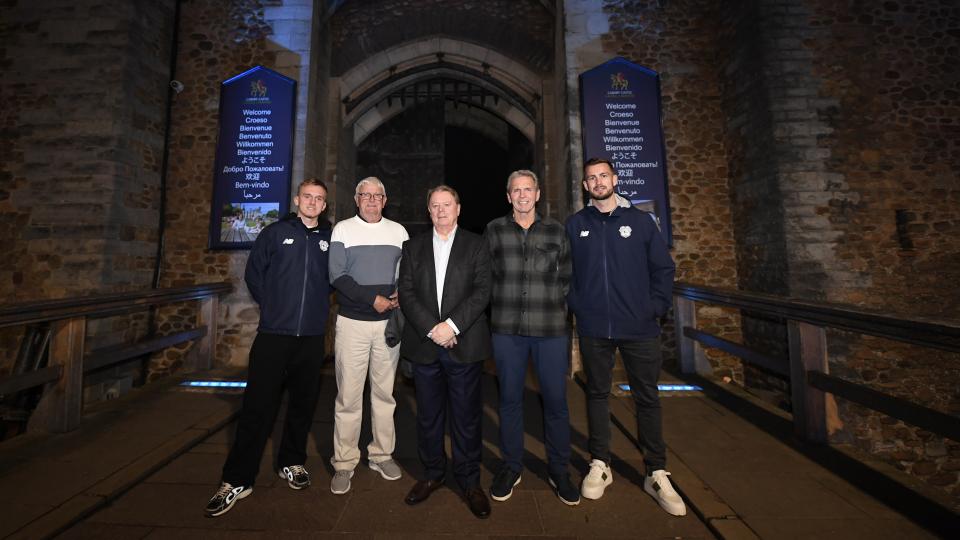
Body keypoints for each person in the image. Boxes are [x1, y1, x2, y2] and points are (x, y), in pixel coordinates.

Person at [565, 158, 686, 516]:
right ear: (585, 185)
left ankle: (656, 471)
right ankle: (600, 463)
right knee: (598, 394)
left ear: (615, 179)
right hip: (594, 328)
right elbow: (565, 273)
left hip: (639, 328)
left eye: (604, 175)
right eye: (591, 178)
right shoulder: (576, 225)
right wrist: (578, 306)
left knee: (647, 397)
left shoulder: (640, 222)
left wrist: (654, 308)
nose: (598, 182)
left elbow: (663, 269)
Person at [205, 179, 332, 517]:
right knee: (258, 407)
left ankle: (291, 461)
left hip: (311, 337)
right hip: (274, 335)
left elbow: (337, 279)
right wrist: (273, 308)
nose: (312, 202)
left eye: (319, 199)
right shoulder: (276, 233)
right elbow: (254, 274)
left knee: (303, 406)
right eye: (307, 196)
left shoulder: (330, 239)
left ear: (324, 205)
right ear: (297, 199)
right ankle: (237, 479)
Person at [484, 170, 579, 506]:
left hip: (549, 330)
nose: (522, 195)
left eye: (528, 189)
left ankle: (558, 469)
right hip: (507, 330)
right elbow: (486, 277)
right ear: (508, 196)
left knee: (555, 402)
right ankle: (511, 465)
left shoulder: (556, 230)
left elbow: (567, 276)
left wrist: (555, 307)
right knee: (509, 400)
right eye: (516, 190)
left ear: (538, 194)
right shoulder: (494, 231)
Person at [398, 185, 493, 519]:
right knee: (428, 417)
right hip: (425, 346)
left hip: (463, 345)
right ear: (429, 211)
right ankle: (432, 474)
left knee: (466, 419)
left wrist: (451, 326)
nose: (440, 210)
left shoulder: (477, 244)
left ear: (458, 208)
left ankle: (469, 482)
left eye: (447, 204)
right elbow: (406, 293)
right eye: (435, 206)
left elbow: (483, 291)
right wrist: (433, 329)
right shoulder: (413, 247)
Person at [328, 177, 409, 494]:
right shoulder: (343, 230)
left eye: (378, 195)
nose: (372, 200)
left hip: (388, 324)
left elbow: (407, 271)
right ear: (356, 198)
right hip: (353, 324)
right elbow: (337, 275)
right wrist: (370, 299)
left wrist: (402, 293)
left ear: (385, 200)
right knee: (348, 396)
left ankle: (381, 454)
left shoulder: (398, 231)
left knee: (384, 395)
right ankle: (344, 463)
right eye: (366, 195)